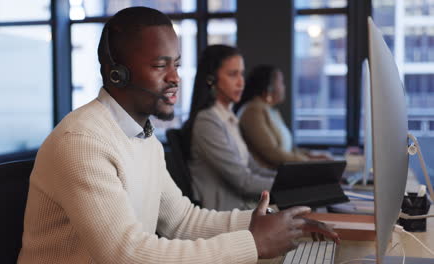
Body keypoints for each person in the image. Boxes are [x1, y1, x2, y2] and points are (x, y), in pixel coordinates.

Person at [18, 7, 338, 264]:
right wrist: (253, 243)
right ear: (118, 73)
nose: (175, 78)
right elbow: (124, 255)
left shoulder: (142, 137)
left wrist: (271, 222)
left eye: (177, 65)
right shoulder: (83, 141)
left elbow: (182, 221)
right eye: (161, 65)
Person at [183, 45, 278, 211]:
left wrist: (292, 180)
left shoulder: (228, 118)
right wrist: (291, 185)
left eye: (241, 73)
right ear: (211, 80)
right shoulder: (207, 122)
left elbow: (253, 169)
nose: (241, 82)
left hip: (243, 206)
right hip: (225, 212)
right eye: (233, 74)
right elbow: (243, 181)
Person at [236, 65, 330, 169]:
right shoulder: (253, 111)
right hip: (270, 176)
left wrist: (312, 155)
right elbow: (273, 153)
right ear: (269, 87)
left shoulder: (271, 110)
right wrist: (309, 161)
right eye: (281, 82)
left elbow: (288, 149)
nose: (284, 87)